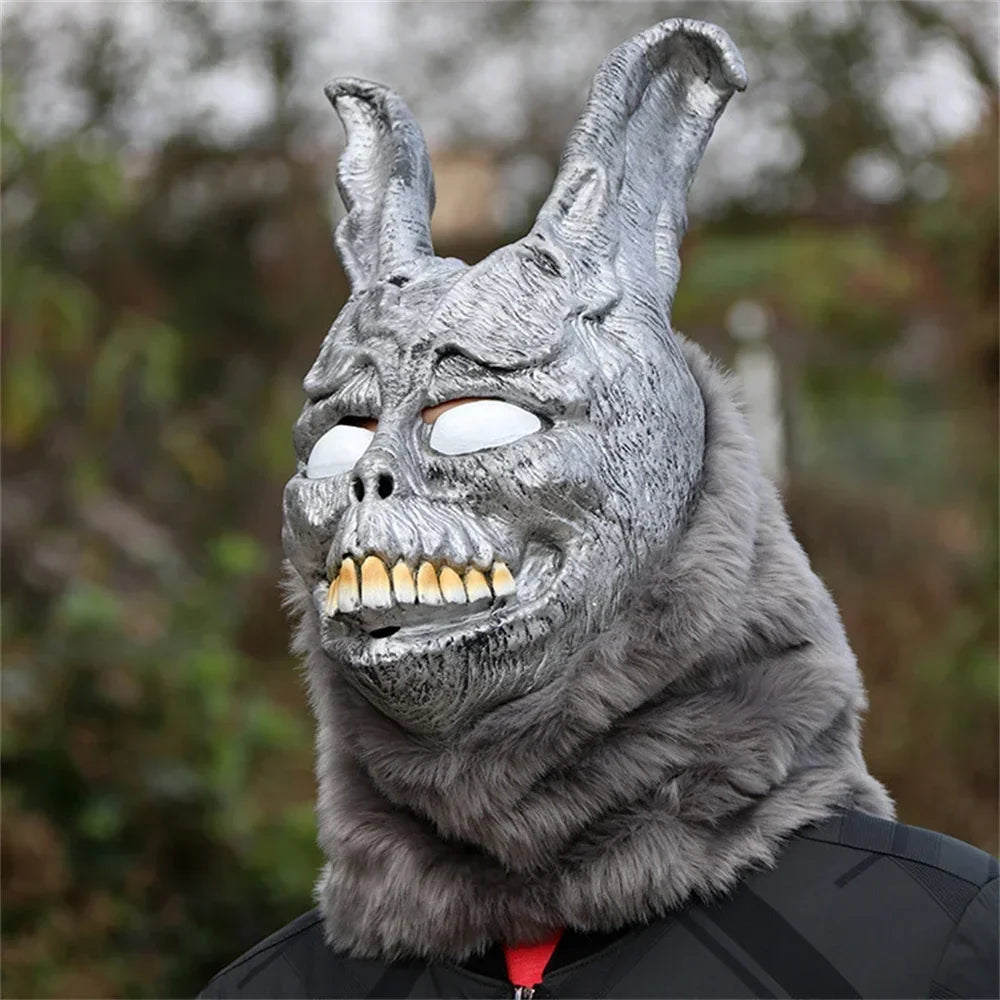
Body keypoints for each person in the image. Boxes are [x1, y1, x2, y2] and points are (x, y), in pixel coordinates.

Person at [201, 19, 997, 999]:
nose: (372, 478)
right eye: (340, 438)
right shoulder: (272, 992)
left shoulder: (926, 947)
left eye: (472, 423)